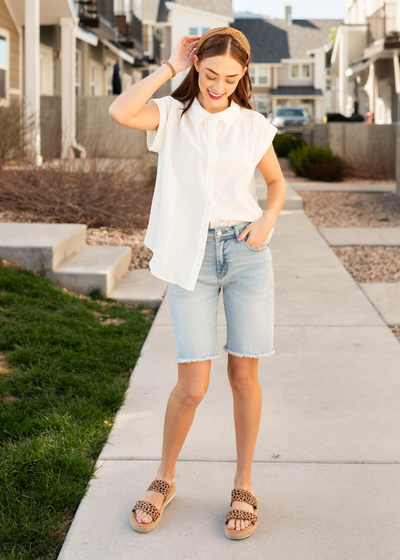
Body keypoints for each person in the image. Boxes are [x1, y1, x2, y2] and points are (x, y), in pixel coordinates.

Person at [108, 27, 287, 540]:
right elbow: (122, 112)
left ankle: (244, 484)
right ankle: (163, 478)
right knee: (192, 385)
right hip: (192, 256)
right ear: (197, 67)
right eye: (210, 74)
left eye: (231, 78)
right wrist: (170, 66)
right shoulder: (171, 116)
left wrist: (268, 219)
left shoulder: (252, 125)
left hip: (247, 253)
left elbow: (276, 184)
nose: (219, 86)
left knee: (243, 377)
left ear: (243, 76)